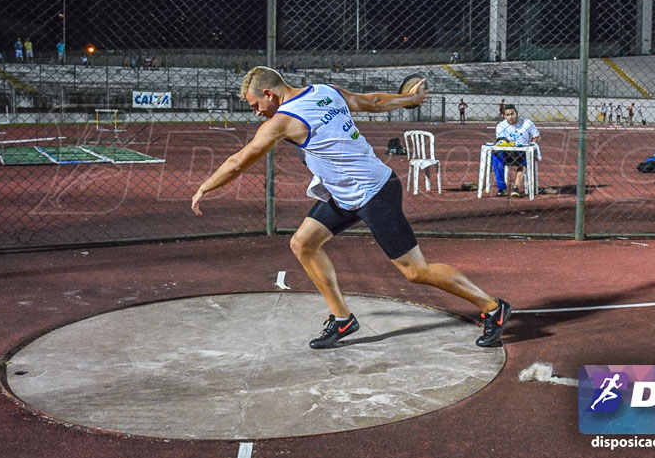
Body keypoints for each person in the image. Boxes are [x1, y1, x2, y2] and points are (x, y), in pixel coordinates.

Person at [191, 67, 511, 349]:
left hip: (374, 193)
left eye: (256, 105)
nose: (257, 112)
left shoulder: (283, 121)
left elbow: (237, 163)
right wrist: (407, 101)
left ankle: (492, 307)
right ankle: (342, 318)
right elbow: (371, 102)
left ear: (268, 93)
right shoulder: (325, 91)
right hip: (345, 196)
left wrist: (206, 187)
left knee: (416, 271)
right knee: (303, 243)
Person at [491, 104, 540, 197]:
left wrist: (532, 145)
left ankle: (516, 187)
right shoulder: (501, 126)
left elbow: (537, 136)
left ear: (516, 113)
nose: (510, 117)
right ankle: (501, 188)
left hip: (522, 152)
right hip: (507, 153)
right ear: (504, 116)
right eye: (508, 115)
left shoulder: (527, 123)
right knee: (496, 158)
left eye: (512, 114)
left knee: (525, 161)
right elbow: (500, 141)